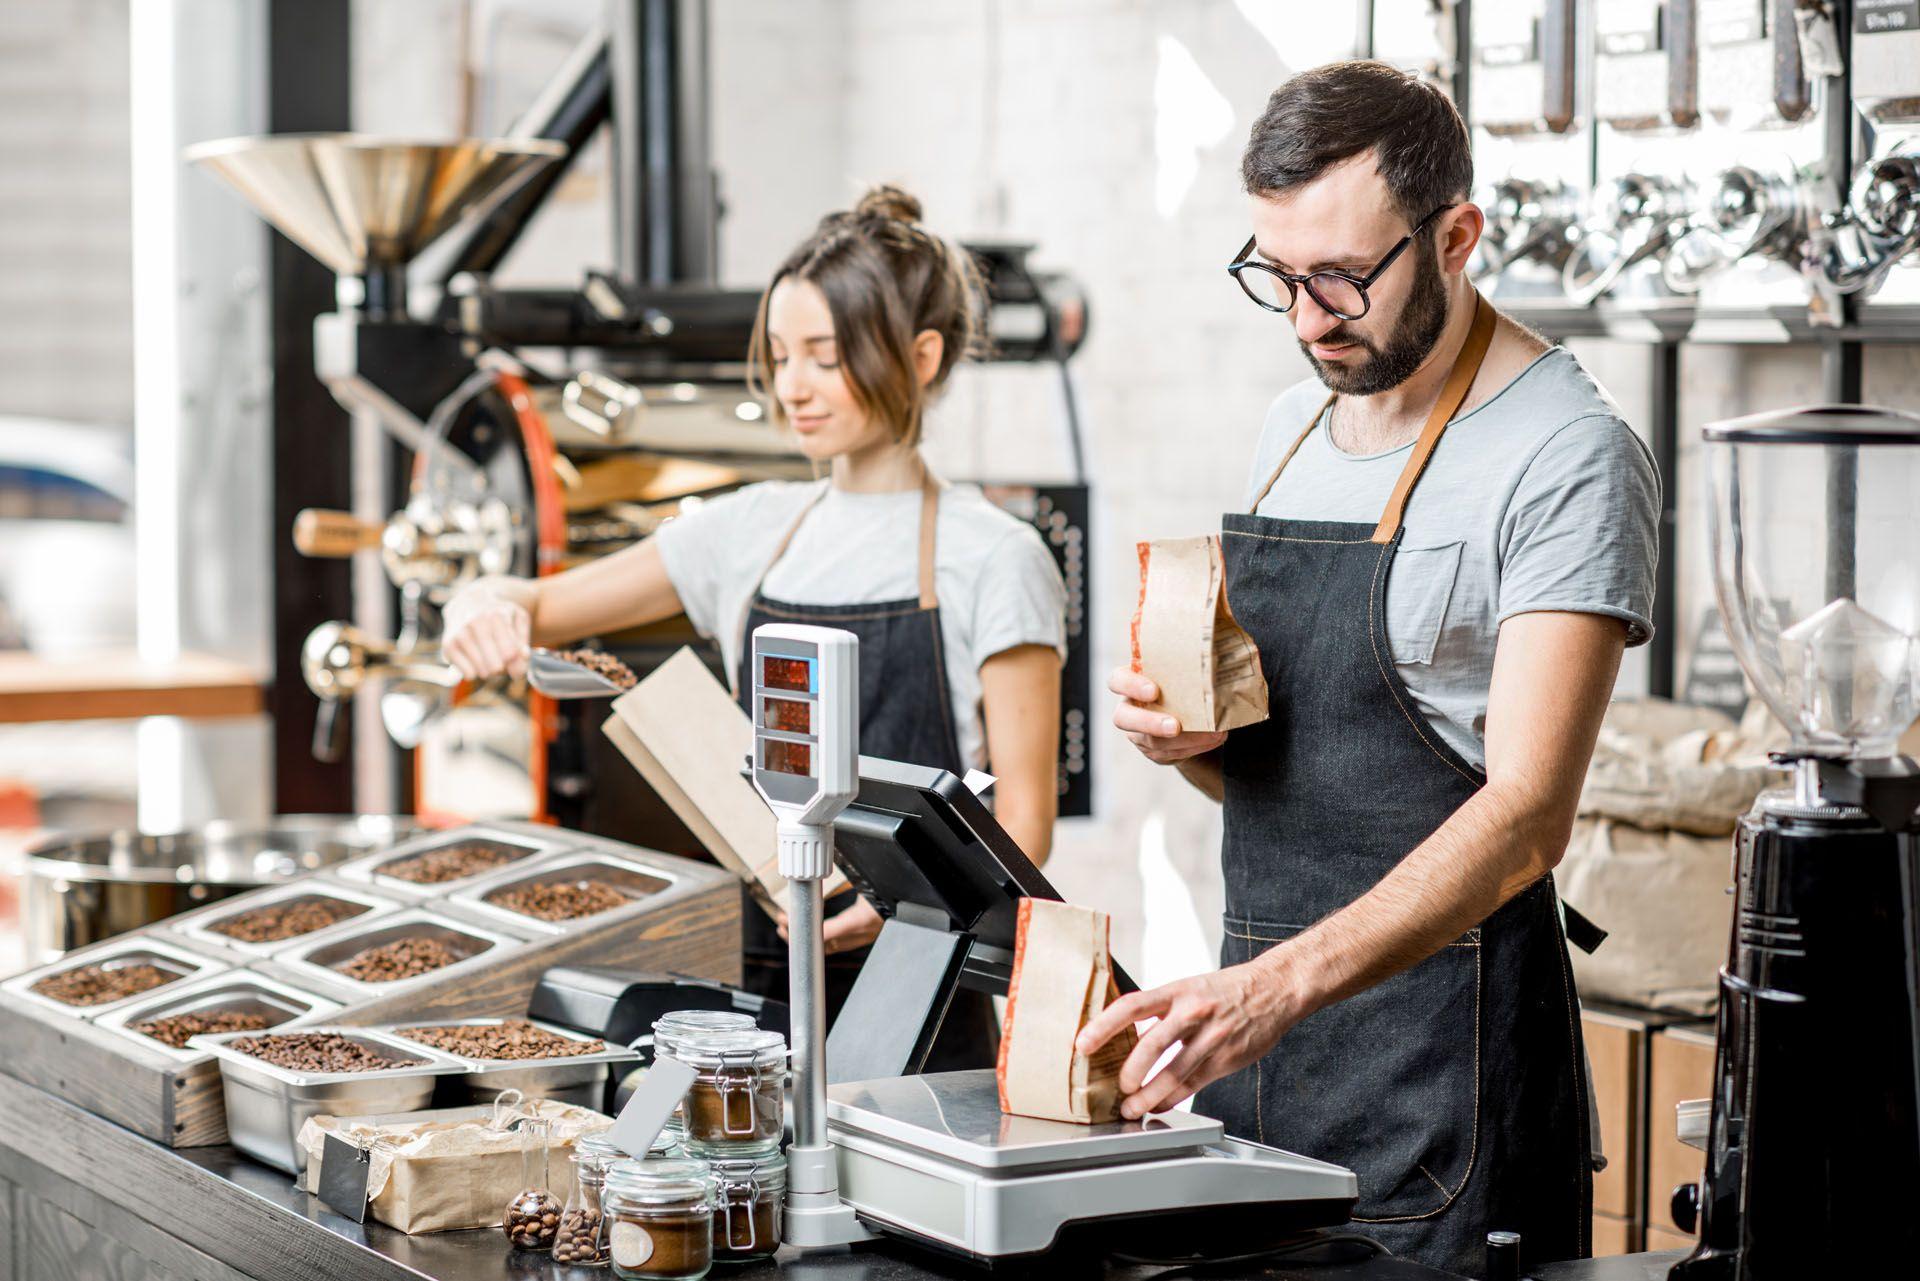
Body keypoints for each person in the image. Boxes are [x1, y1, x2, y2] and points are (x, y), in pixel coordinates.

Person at [1084, 62, 1658, 1272]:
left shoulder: (1567, 452)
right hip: (1269, 1062)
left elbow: (1524, 818)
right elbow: (1300, 789)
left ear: (1457, 236)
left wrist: (1269, 993)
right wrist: (1198, 745)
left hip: (1445, 1080)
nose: (1308, 317)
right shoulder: (1290, 430)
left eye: (1342, 276)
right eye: (1278, 278)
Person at [441, 185, 1068, 1068]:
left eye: (825, 354)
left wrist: (902, 906)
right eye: (780, 355)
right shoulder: (747, 531)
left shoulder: (994, 558)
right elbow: (535, 601)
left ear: (921, 357)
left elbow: (1025, 834)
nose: (793, 387)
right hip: (750, 998)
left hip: (923, 1004)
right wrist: (478, 605)